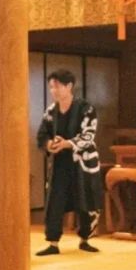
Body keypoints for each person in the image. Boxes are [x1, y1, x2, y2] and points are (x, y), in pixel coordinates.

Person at [35, 69, 101, 256]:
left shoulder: (86, 108)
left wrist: (68, 143)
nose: (54, 91)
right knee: (55, 200)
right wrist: (50, 144)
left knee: (86, 198)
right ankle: (53, 242)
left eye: (57, 86)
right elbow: (42, 135)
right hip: (60, 162)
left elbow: (88, 135)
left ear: (69, 86)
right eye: (52, 87)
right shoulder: (51, 111)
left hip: (83, 162)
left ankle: (85, 239)